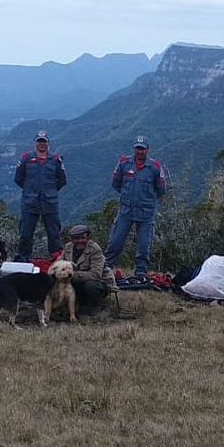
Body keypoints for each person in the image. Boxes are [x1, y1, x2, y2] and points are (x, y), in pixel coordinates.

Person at [105, 135, 167, 276]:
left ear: (148, 150)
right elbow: (116, 183)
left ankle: (140, 273)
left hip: (146, 212)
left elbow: (161, 189)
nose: (140, 151)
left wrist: (147, 200)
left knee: (144, 246)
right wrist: (127, 197)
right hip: (126, 210)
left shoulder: (155, 167)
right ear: (134, 148)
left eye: (143, 149)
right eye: (138, 148)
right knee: (115, 242)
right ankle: (106, 269)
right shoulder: (124, 163)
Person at [14, 130, 67, 259]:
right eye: (39, 142)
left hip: (50, 203)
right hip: (29, 203)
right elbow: (18, 179)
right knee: (25, 234)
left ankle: (56, 261)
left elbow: (62, 180)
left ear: (48, 144)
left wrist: (51, 191)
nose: (42, 144)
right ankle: (23, 260)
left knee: (54, 234)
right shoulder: (26, 158)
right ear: (35, 143)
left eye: (44, 142)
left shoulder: (55, 160)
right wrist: (29, 190)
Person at [60, 224, 116, 315]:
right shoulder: (68, 247)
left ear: (88, 238)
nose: (79, 241)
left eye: (83, 238)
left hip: (98, 281)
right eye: (76, 238)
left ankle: (95, 306)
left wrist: (71, 275)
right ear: (71, 239)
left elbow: (95, 274)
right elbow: (60, 263)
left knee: (91, 286)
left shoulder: (95, 249)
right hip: (75, 280)